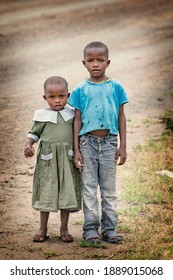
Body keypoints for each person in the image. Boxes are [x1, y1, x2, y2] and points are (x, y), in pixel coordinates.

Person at [68, 41, 128, 244]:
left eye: (100, 60)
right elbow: (76, 120)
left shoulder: (116, 87)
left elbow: (121, 116)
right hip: (87, 144)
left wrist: (123, 145)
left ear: (108, 62)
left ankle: (110, 229)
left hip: (110, 144)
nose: (95, 64)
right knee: (89, 188)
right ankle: (91, 229)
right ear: (83, 63)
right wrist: (76, 149)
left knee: (109, 190)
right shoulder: (79, 90)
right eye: (90, 60)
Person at [24, 76, 81, 243]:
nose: (57, 101)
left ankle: (64, 229)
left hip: (67, 161)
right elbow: (34, 134)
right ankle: (43, 228)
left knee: (66, 192)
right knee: (46, 193)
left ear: (68, 95)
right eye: (52, 97)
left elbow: (78, 134)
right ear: (45, 98)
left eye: (61, 96)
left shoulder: (72, 114)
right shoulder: (42, 116)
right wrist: (28, 144)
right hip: (47, 162)